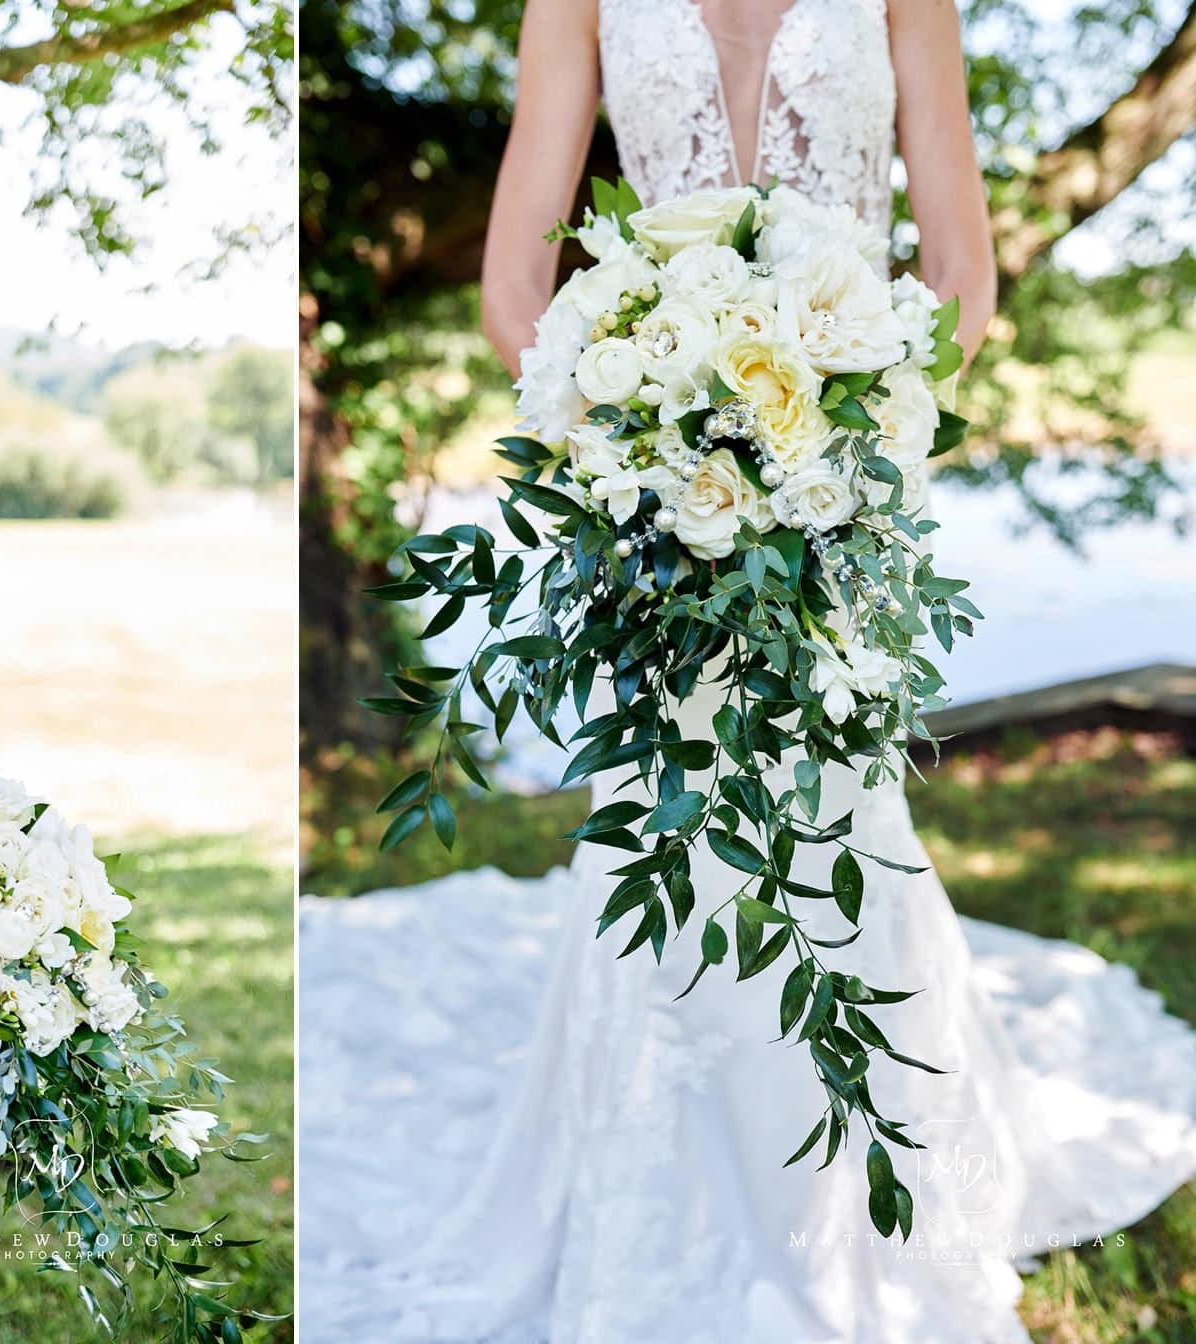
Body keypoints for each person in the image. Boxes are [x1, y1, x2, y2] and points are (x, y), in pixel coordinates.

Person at [298, 2, 1196, 1340]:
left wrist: (860, 430)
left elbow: (959, 274)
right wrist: (639, 430)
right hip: (657, 499)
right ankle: (656, 1185)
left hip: (842, 484)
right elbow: (512, 292)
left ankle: (853, 1185)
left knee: (828, 802)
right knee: (678, 806)